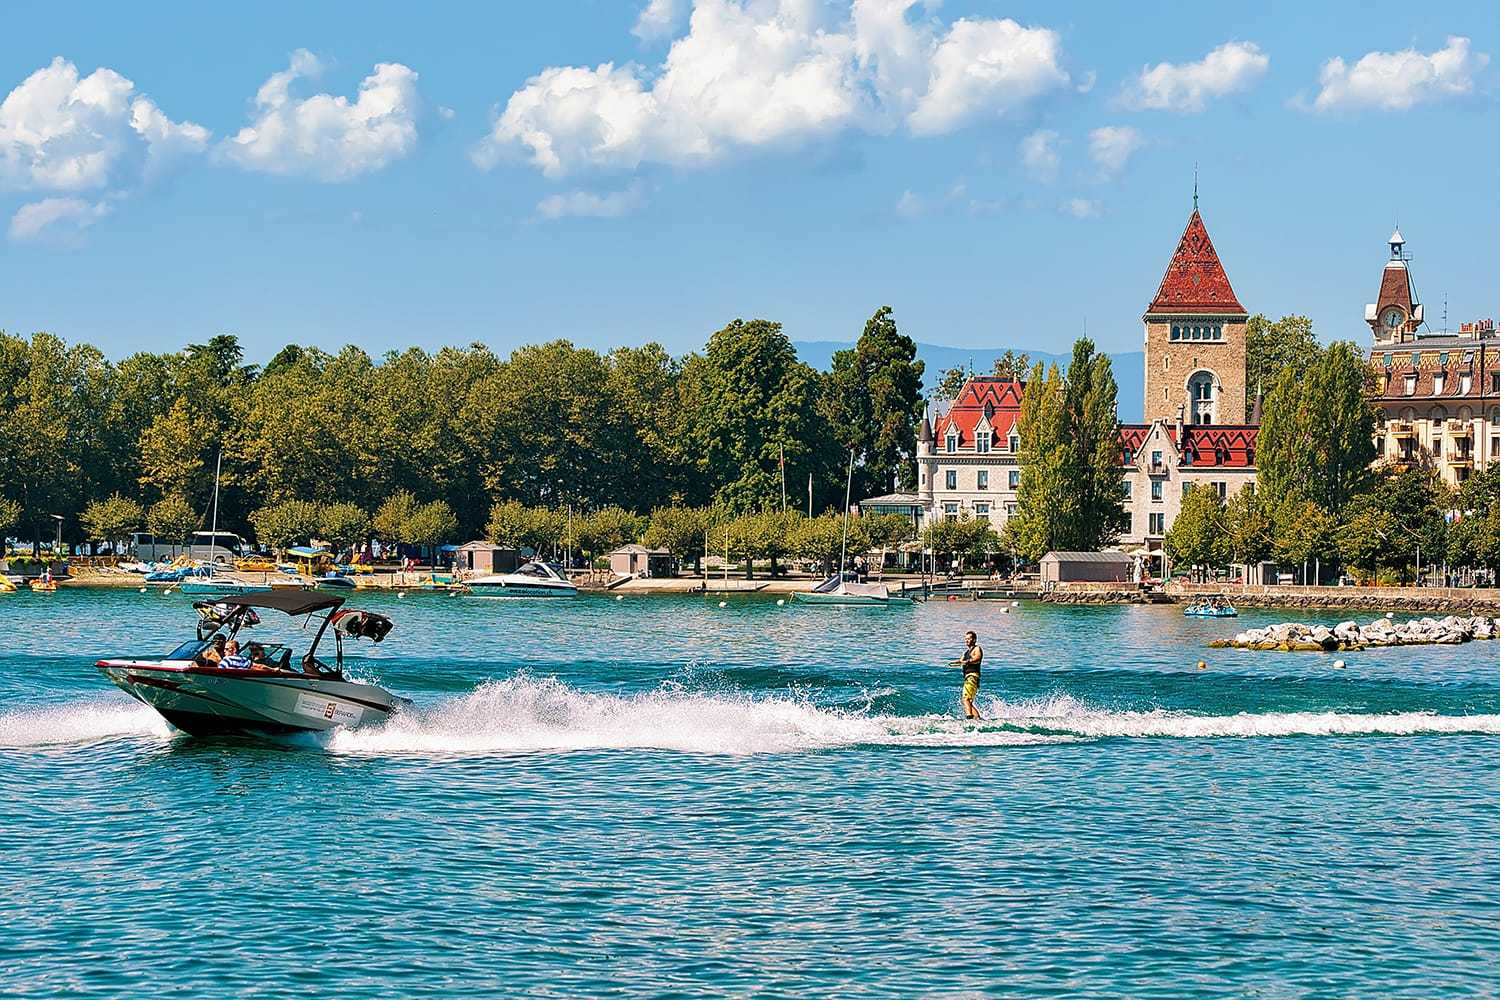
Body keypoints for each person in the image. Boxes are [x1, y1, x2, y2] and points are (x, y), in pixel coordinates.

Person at [949, 630, 984, 720]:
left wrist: (967, 661)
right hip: (969, 678)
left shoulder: (977, 649)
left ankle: (969, 718)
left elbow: (978, 658)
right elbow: (961, 661)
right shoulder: (965, 653)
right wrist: (954, 663)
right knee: (968, 701)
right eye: (966, 639)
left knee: (965, 699)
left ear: (974, 639)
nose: (967, 641)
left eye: (969, 639)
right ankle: (978, 719)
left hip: (972, 676)